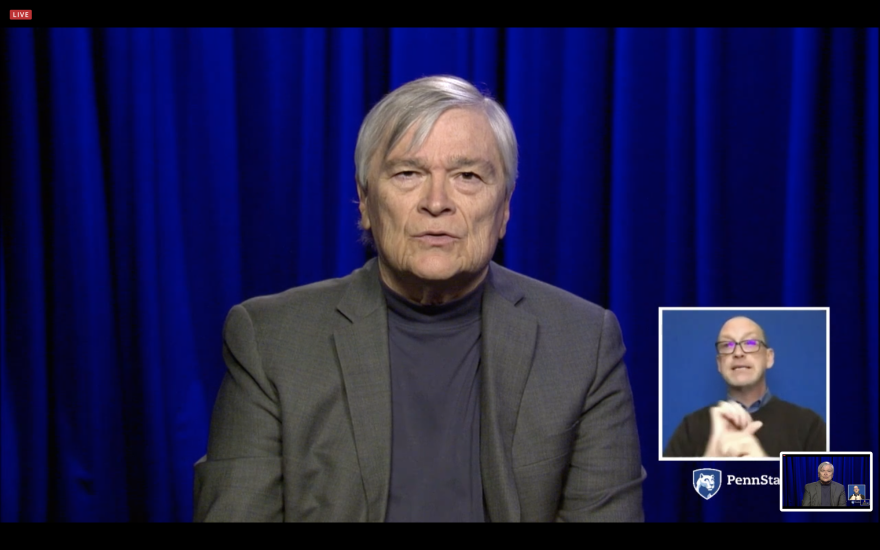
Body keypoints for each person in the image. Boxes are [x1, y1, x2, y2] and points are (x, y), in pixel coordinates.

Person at [193, 75, 646, 522]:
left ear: (504, 208)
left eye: (467, 176)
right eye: (408, 173)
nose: (436, 201)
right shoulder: (270, 340)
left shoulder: (582, 343)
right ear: (366, 203)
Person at [664, 316, 826, 457]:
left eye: (750, 342)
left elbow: (827, 490)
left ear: (769, 358)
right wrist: (710, 460)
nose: (738, 353)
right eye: (727, 345)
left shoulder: (809, 425)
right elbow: (665, 489)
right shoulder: (690, 427)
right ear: (719, 364)